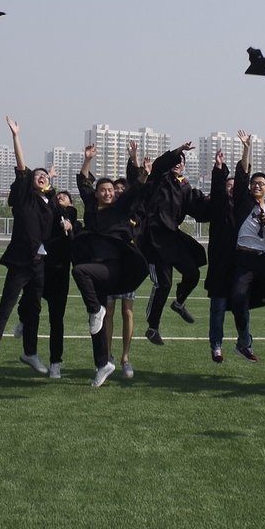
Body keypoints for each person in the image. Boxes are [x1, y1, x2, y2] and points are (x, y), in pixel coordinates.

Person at [0, 117, 57, 374]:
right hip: (21, 262)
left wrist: (50, 178)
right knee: (6, 307)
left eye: (45, 176)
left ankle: (30, 353)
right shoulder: (25, 199)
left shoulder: (48, 203)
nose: (41, 177)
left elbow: (52, 198)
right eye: (38, 175)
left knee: (34, 309)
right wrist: (16, 137)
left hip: (39, 264)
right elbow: (22, 168)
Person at [71, 144, 149, 387]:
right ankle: (102, 363)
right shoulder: (92, 211)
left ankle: (97, 310)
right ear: (97, 194)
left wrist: (143, 173)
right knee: (97, 326)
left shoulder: (119, 209)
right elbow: (83, 184)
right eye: (102, 190)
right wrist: (87, 160)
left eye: (109, 190)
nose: (107, 193)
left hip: (114, 268)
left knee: (79, 271)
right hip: (97, 271)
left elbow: (135, 191)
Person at [222, 132, 265, 364]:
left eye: (262, 184)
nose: (257, 186)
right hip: (244, 258)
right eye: (254, 183)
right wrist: (246, 148)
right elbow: (242, 173)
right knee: (238, 297)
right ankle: (244, 339)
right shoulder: (243, 201)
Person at [141, 141, 210, 344]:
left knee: (194, 274)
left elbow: (199, 207)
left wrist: (218, 200)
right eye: (176, 161)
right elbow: (161, 164)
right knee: (163, 284)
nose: (178, 163)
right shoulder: (158, 179)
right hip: (155, 239)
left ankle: (179, 303)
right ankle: (153, 327)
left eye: (181, 161)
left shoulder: (185, 186)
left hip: (173, 238)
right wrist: (178, 151)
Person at [42, 188, 78, 377]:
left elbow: (68, 215)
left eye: (63, 197)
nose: (59, 198)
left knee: (56, 320)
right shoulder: (49, 212)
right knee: (30, 303)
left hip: (60, 273)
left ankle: (55, 362)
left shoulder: (72, 215)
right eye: (57, 197)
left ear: (70, 203)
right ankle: (23, 322)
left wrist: (70, 226)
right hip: (42, 267)